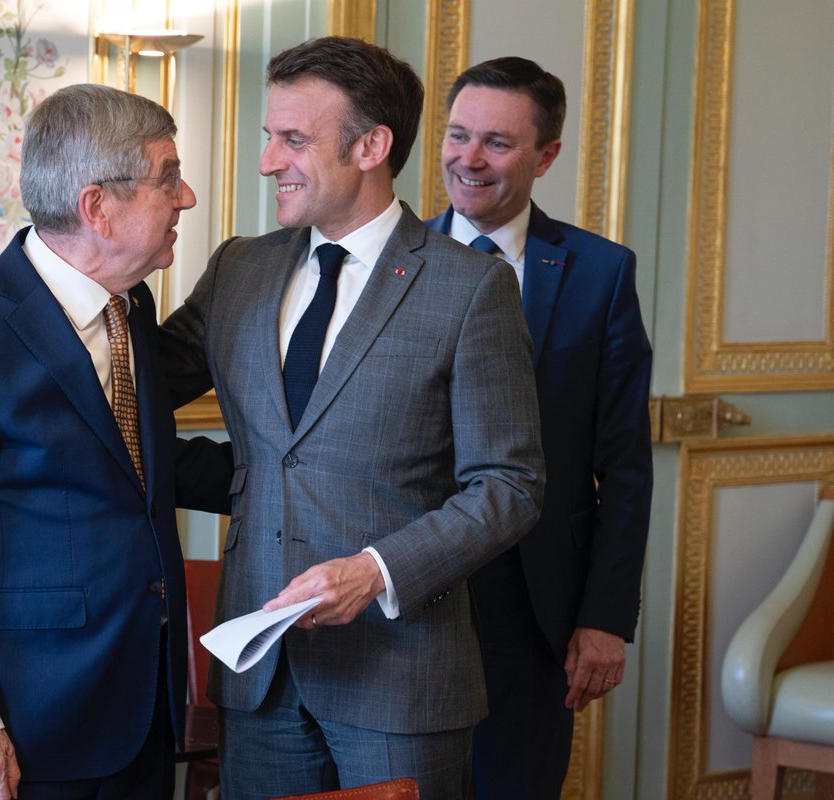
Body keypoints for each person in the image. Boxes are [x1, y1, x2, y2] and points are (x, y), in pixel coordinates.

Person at [161, 37, 545, 799]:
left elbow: (510, 485)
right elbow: (137, 385)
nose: (269, 161)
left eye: (293, 140)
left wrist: (374, 573)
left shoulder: (470, 289)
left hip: (401, 679)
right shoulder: (241, 267)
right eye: (270, 136)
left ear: (372, 146)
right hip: (259, 676)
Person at [0, 83, 230, 800]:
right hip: (17, 730)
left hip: (141, 710)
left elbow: (140, 464)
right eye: (168, 178)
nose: (187, 197)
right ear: (97, 207)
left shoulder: (130, 306)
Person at [425, 56, 653, 799]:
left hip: (537, 611)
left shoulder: (600, 272)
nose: (469, 158)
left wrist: (606, 618)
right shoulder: (394, 261)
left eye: (497, 142)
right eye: (458, 135)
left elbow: (624, 465)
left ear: (546, 155)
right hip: (406, 599)